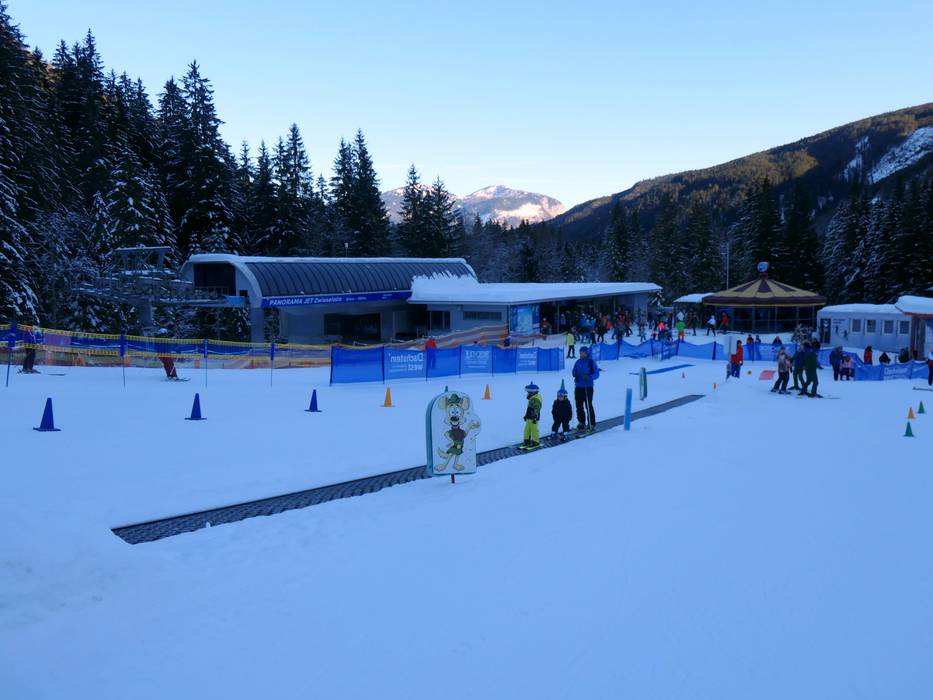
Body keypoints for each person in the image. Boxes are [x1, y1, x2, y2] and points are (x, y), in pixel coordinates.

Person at [572, 346, 600, 432]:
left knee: (588, 405)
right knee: (579, 406)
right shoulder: (578, 362)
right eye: (580, 353)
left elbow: (597, 374)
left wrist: (588, 377)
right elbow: (574, 371)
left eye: (582, 353)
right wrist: (575, 375)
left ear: (586, 353)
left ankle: (591, 423)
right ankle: (581, 422)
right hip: (578, 387)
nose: (581, 354)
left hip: (588, 387)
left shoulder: (591, 362)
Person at [522, 382, 542, 448]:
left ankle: (535, 442)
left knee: (534, 430)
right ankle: (527, 440)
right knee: (526, 430)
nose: (528, 394)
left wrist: (535, 415)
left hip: (534, 418)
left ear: (533, 392)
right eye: (527, 392)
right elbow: (529, 409)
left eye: (529, 392)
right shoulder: (532, 398)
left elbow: (537, 408)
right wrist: (526, 415)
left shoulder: (536, 399)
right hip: (529, 417)